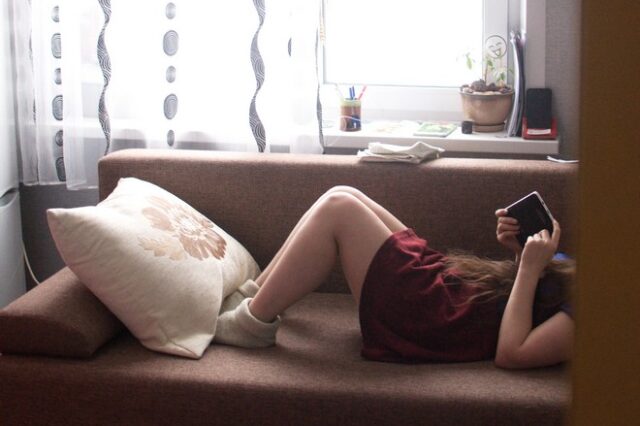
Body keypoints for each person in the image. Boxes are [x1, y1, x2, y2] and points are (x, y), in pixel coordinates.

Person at [213, 186, 575, 369]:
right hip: (450, 289)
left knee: (339, 210)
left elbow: (513, 352)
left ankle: (252, 325)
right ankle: (254, 296)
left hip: (435, 319)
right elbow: (528, 302)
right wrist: (519, 254)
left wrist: (529, 269)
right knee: (342, 193)